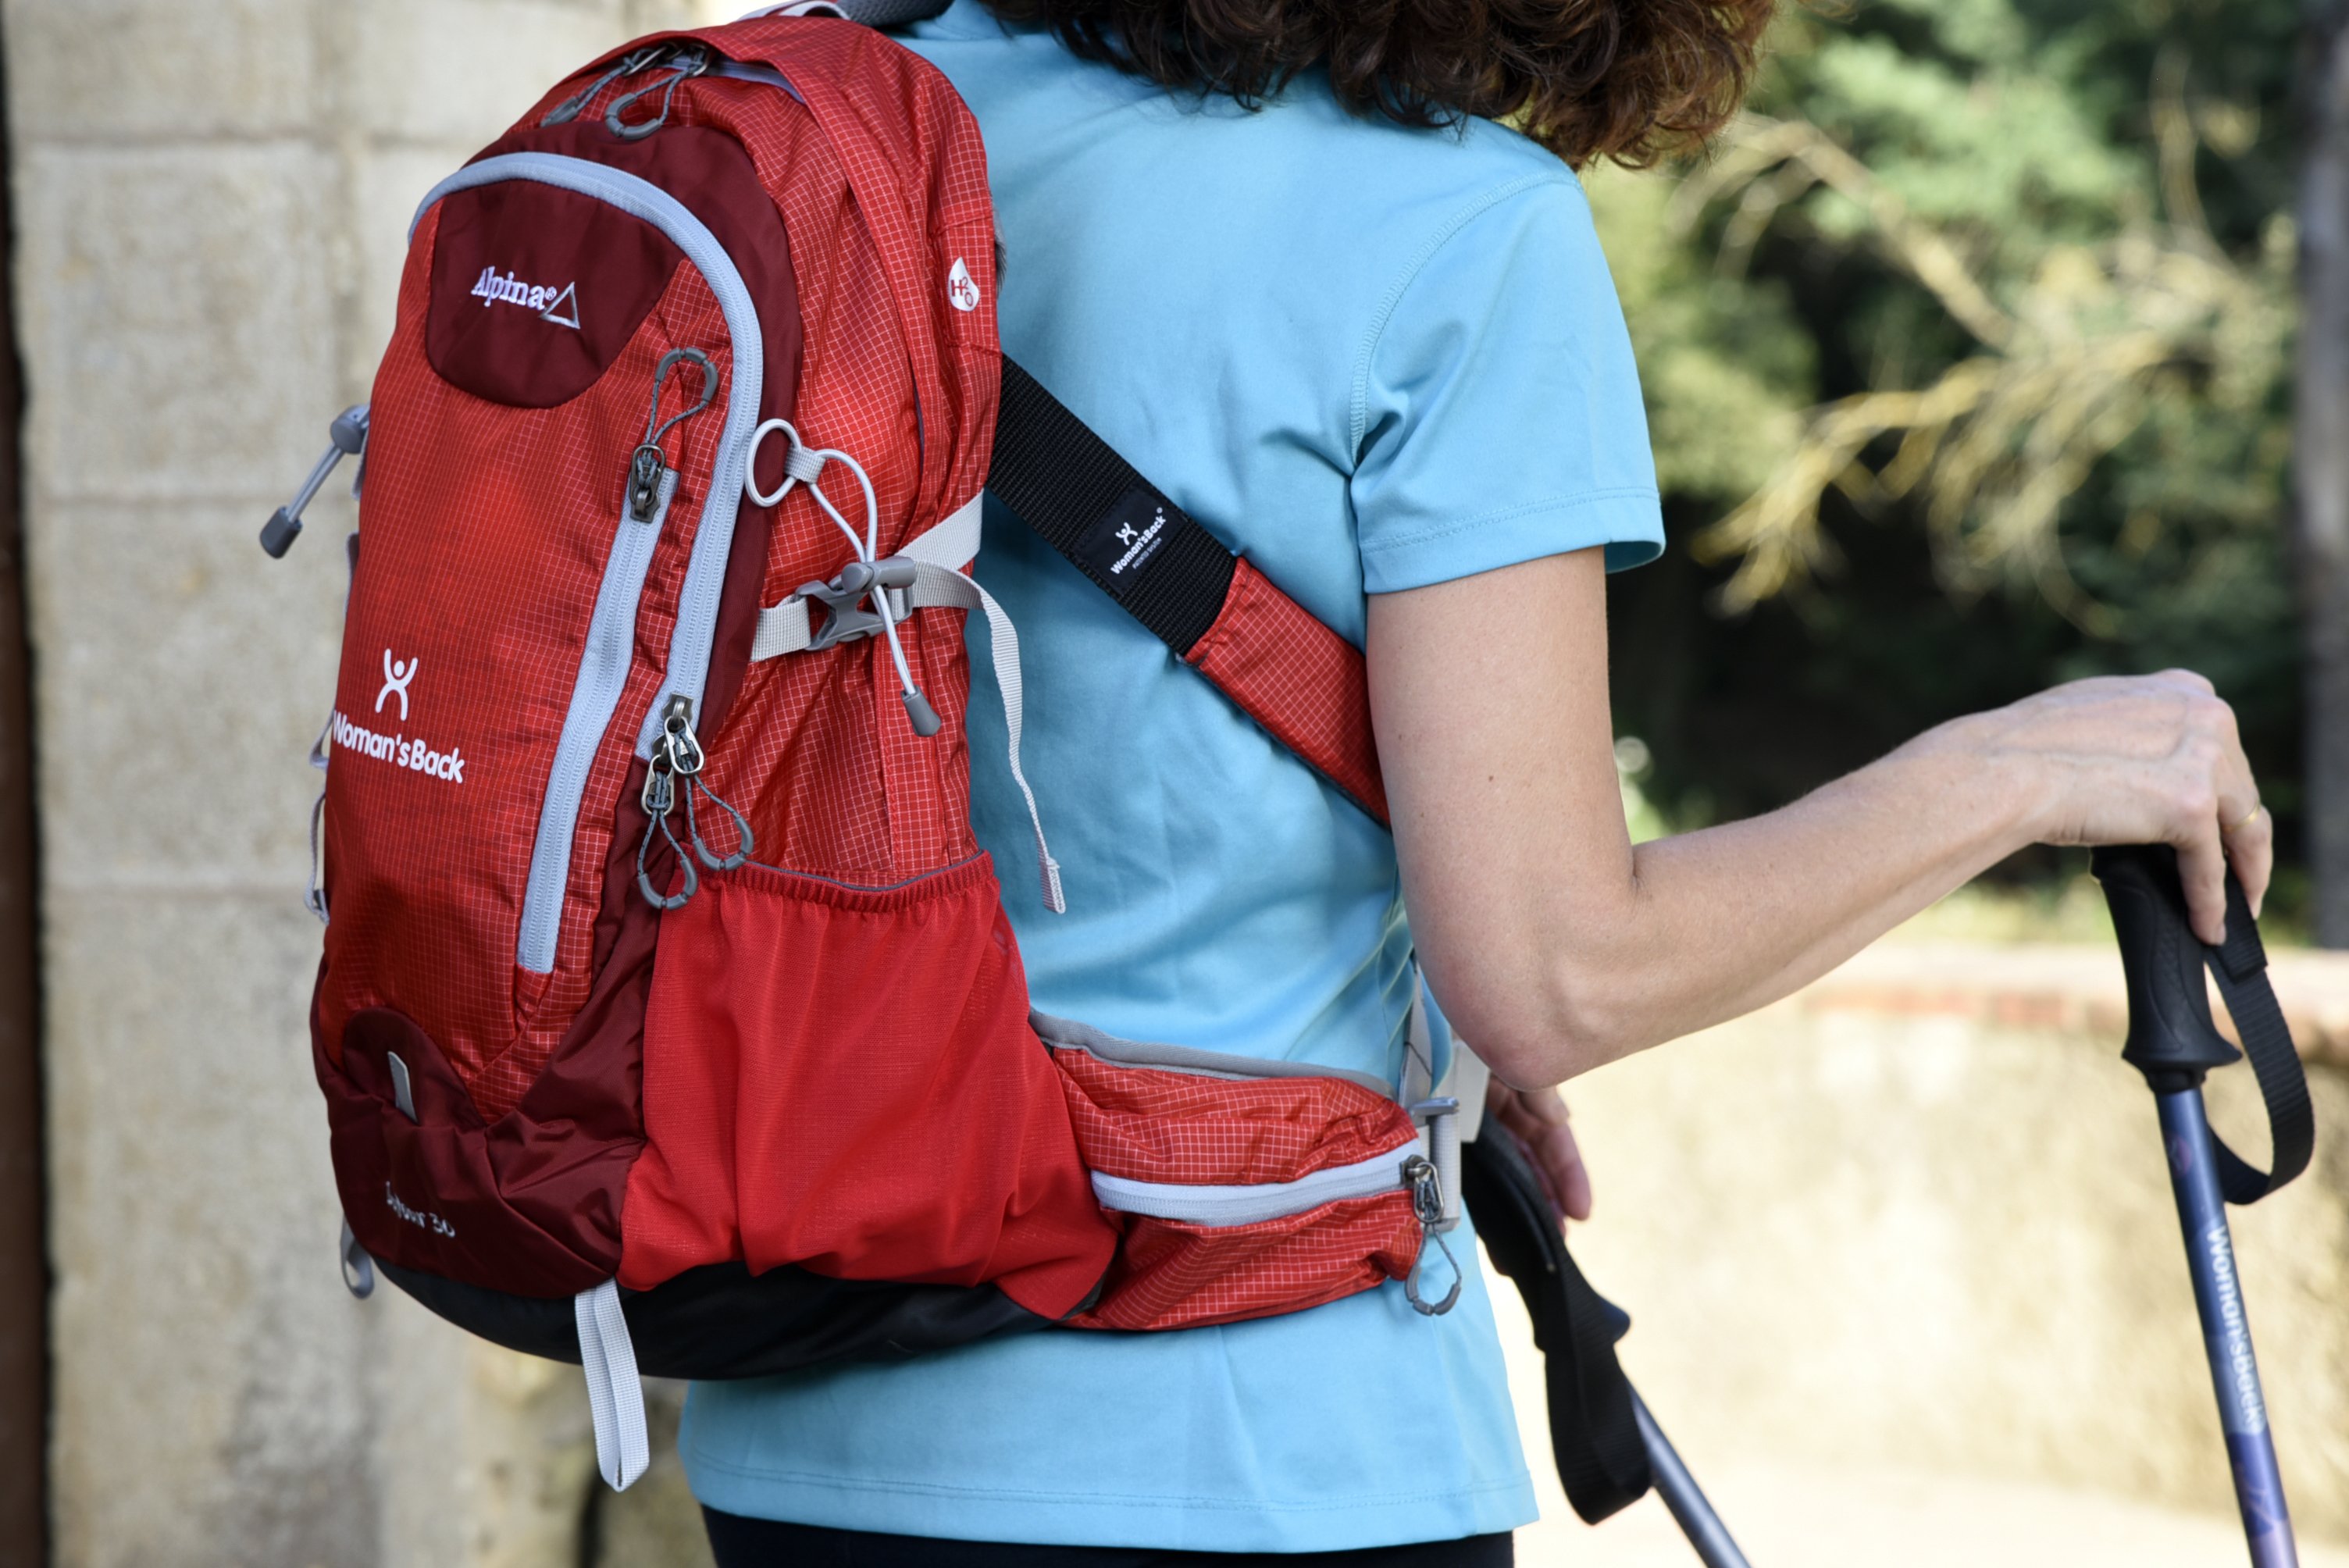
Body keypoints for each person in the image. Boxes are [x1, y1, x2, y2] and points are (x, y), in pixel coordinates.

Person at [686, 2, 2275, 1562]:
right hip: (1250, 1446)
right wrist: (2021, 768)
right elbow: (1558, 968)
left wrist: (1393, 1007)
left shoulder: (814, 123)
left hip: (801, 1423)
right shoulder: (1452, 228)